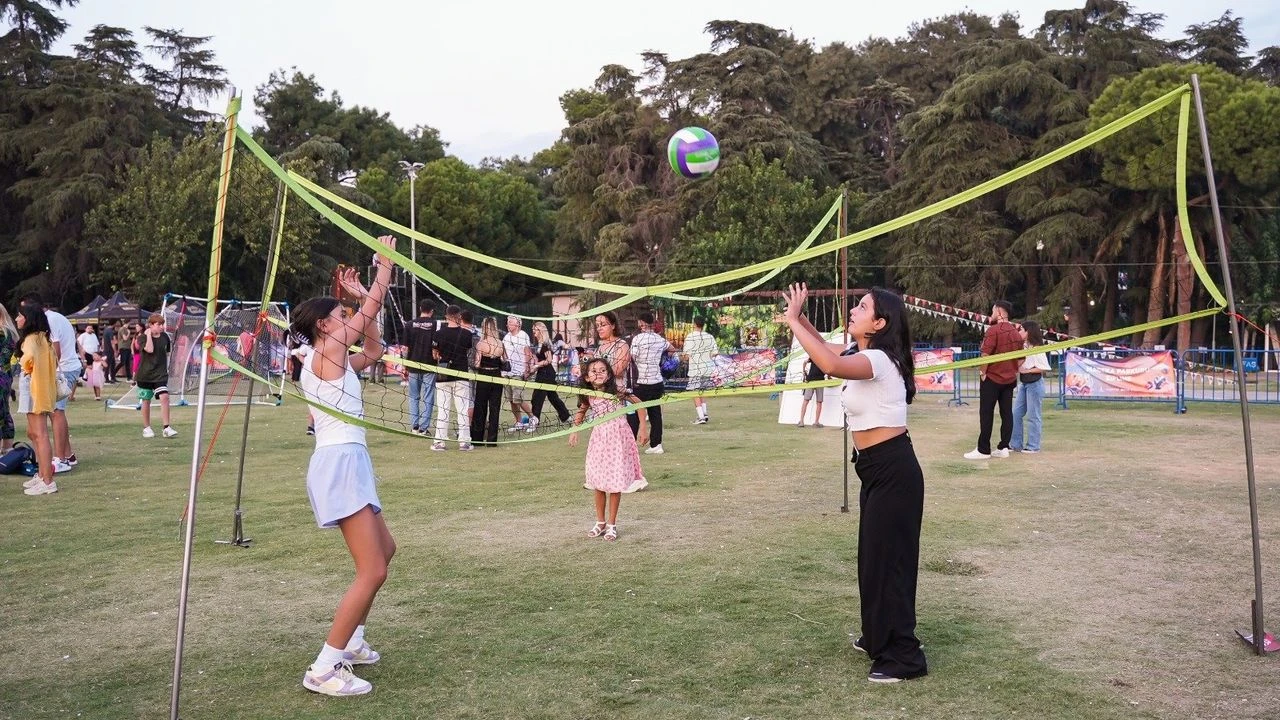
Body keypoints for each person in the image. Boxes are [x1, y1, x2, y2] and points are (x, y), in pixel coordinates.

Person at [783, 283, 928, 684]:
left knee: (890, 564)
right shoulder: (863, 354)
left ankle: (904, 657)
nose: (853, 309)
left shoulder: (878, 360)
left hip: (894, 471)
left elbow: (829, 365)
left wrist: (793, 321)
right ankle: (878, 636)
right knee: (873, 562)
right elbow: (828, 352)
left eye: (861, 307)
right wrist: (800, 316)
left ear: (879, 323)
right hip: (875, 469)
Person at [290, 235, 397, 698]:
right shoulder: (324, 352)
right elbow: (368, 318)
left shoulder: (337, 357)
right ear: (321, 325)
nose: (346, 318)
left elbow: (372, 350)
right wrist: (383, 271)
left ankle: (350, 641)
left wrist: (362, 299)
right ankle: (324, 667)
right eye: (339, 314)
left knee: (385, 551)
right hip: (338, 463)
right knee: (372, 570)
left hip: (350, 459)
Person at [569, 357, 649, 541]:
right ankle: (600, 522)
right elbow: (581, 411)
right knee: (598, 482)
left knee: (614, 482)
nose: (598, 373)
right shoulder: (589, 395)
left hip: (618, 439)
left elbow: (640, 405)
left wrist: (643, 428)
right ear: (587, 377)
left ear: (609, 374)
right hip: (599, 440)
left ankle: (612, 524)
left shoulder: (619, 392)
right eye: (593, 371)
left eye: (602, 370)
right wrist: (574, 430)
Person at [21, 294, 79, 471]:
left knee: (56, 412)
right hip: (68, 367)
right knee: (57, 412)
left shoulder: (48, 320)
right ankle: (68, 455)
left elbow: (56, 352)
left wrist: (45, 374)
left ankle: (60, 459)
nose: (20, 315)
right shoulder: (56, 317)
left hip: (64, 368)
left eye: (22, 310)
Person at [965, 300, 1022, 460]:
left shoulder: (994, 330)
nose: (991, 314)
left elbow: (985, 355)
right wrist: (1012, 370)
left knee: (986, 413)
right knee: (1006, 413)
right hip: (1009, 380)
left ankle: (983, 450)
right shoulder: (1016, 333)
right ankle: (1004, 447)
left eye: (992, 311)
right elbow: (1021, 359)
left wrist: (983, 372)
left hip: (992, 378)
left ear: (998, 311)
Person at [15, 304, 57, 495]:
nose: (17, 319)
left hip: (34, 388)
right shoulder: (43, 338)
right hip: (40, 388)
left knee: (39, 434)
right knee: (34, 433)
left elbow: (27, 359)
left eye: (19, 316)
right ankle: (42, 475)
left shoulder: (32, 339)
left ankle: (47, 480)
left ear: (28, 318)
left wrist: (21, 361)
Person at [626, 312, 672, 454]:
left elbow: (630, 357)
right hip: (657, 381)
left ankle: (630, 444)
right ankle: (656, 445)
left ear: (641, 323)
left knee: (634, 413)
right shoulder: (660, 339)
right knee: (655, 413)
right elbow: (672, 349)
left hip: (641, 382)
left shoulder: (638, 339)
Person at [430, 305, 474, 451]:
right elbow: (467, 350)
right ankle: (464, 442)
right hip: (461, 374)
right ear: (459, 316)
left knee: (443, 410)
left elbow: (434, 354)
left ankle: (439, 442)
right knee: (462, 410)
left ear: (446, 316)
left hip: (443, 376)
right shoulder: (467, 334)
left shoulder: (438, 334)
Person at [1010, 321, 1049, 454]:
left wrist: (1027, 371)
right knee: (1016, 413)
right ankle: (1015, 444)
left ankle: (1033, 446)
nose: (1019, 332)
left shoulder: (1037, 348)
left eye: (1021, 330)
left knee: (1033, 415)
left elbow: (1043, 367)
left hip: (1035, 384)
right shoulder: (1023, 346)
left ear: (1028, 332)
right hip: (1024, 384)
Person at [136, 313, 177, 439]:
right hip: (145, 375)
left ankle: (166, 427)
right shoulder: (142, 338)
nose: (161, 327)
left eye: (162, 324)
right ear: (151, 325)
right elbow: (149, 349)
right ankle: (147, 428)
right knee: (146, 401)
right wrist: (148, 335)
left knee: (164, 396)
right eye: (158, 324)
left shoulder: (165, 337)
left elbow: (168, 353)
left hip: (160, 375)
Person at [469, 317, 507, 446]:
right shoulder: (501, 343)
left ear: (484, 327)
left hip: (484, 376)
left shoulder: (480, 344)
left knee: (480, 408)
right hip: (497, 377)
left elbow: (477, 364)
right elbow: (505, 362)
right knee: (495, 409)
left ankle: (477, 439)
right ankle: (492, 441)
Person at [404, 301, 438, 435]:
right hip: (429, 364)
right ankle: (423, 428)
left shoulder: (409, 324)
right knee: (428, 396)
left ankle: (414, 426)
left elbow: (405, 348)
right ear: (432, 311)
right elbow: (437, 346)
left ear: (420, 309)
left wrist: (405, 365)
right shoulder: (435, 324)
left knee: (413, 396)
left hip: (413, 364)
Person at [529, 321, 570, 425]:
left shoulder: (545, 343)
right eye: (533, 329)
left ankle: (535, 420)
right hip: (544, 372)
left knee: (537, 397)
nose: (533, 331)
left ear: (540, 330)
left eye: (535, 329)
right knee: (552, 397)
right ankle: (566, 417)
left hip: (547, 373)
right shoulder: (538, 343)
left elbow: (549, 359)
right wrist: (535, 367)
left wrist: (536, 365)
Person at [502, 316, 536, 431]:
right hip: (507, 372)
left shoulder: (523, 335)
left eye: (510, 322)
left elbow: (528, 353)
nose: (508, 324)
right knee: (511, 399)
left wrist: (527, 369)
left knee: (518, 398)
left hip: (518, 371)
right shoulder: (506, 337)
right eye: (507, 322)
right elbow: (504, 353)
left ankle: (533, 418)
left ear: (518, 324)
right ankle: (519, 422)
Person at [682, 316, 718, 424]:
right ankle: (704, 414)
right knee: (702, 391)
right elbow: (715, 352)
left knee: (695, 391)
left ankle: (701, 417)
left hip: (695, 369)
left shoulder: (691, 337)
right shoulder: (710, 337)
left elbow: (686, 355)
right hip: (707, 368)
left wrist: (682, 358)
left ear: (694, 324)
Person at [592, 312, 631, 393]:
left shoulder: (622, 345)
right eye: (597, 326)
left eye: (603, 325)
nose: (599, 328)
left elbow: (617, 372)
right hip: (598, 394)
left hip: (616, 394)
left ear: (613, 326)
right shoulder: (599, 347)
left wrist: (594, 371)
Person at [0, 303, 18, 452]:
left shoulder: (2, 333)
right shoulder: (10, 332)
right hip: (5, 375)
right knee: (4, 410)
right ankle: (7, 448)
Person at [797, 358, 827, 428]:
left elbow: (804, 362)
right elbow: (828, 369)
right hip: (820, 380)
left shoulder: (814, 355)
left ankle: (801, 421)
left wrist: (804, 371)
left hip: (811, 380)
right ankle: (816, 422)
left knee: (806, 400)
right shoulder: (825, 357)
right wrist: (828, 376)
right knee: (819, 402)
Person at [102, 319, 118, 384]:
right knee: (109, 365)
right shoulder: (110, 331)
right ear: (114, 323)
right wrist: (115, 351)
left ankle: (112, 378)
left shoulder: (105, 330)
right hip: (110, 350)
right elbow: (112, 342)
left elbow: (103, 340)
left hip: (106, 349)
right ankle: (107, 379)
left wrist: (103, 347)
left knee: (111, 364)